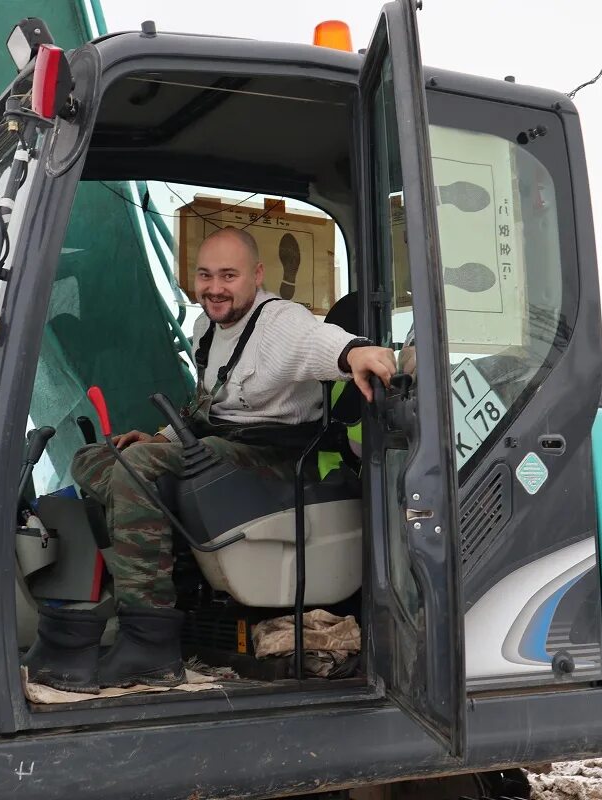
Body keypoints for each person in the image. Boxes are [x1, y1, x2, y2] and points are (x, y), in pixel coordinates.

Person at [23, 226, 396, 694]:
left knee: (137, 472)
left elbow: (319, 343)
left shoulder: (279, 322)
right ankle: (157, 563)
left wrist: (355, 352)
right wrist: (159, 436)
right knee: (93, 459)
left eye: (228, 275)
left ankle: (149, 640)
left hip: (272, 456)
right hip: (220, 444)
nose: (214, 288)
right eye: (204, 275)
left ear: (256, 275)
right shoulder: (206, 329)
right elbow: (209, 402)